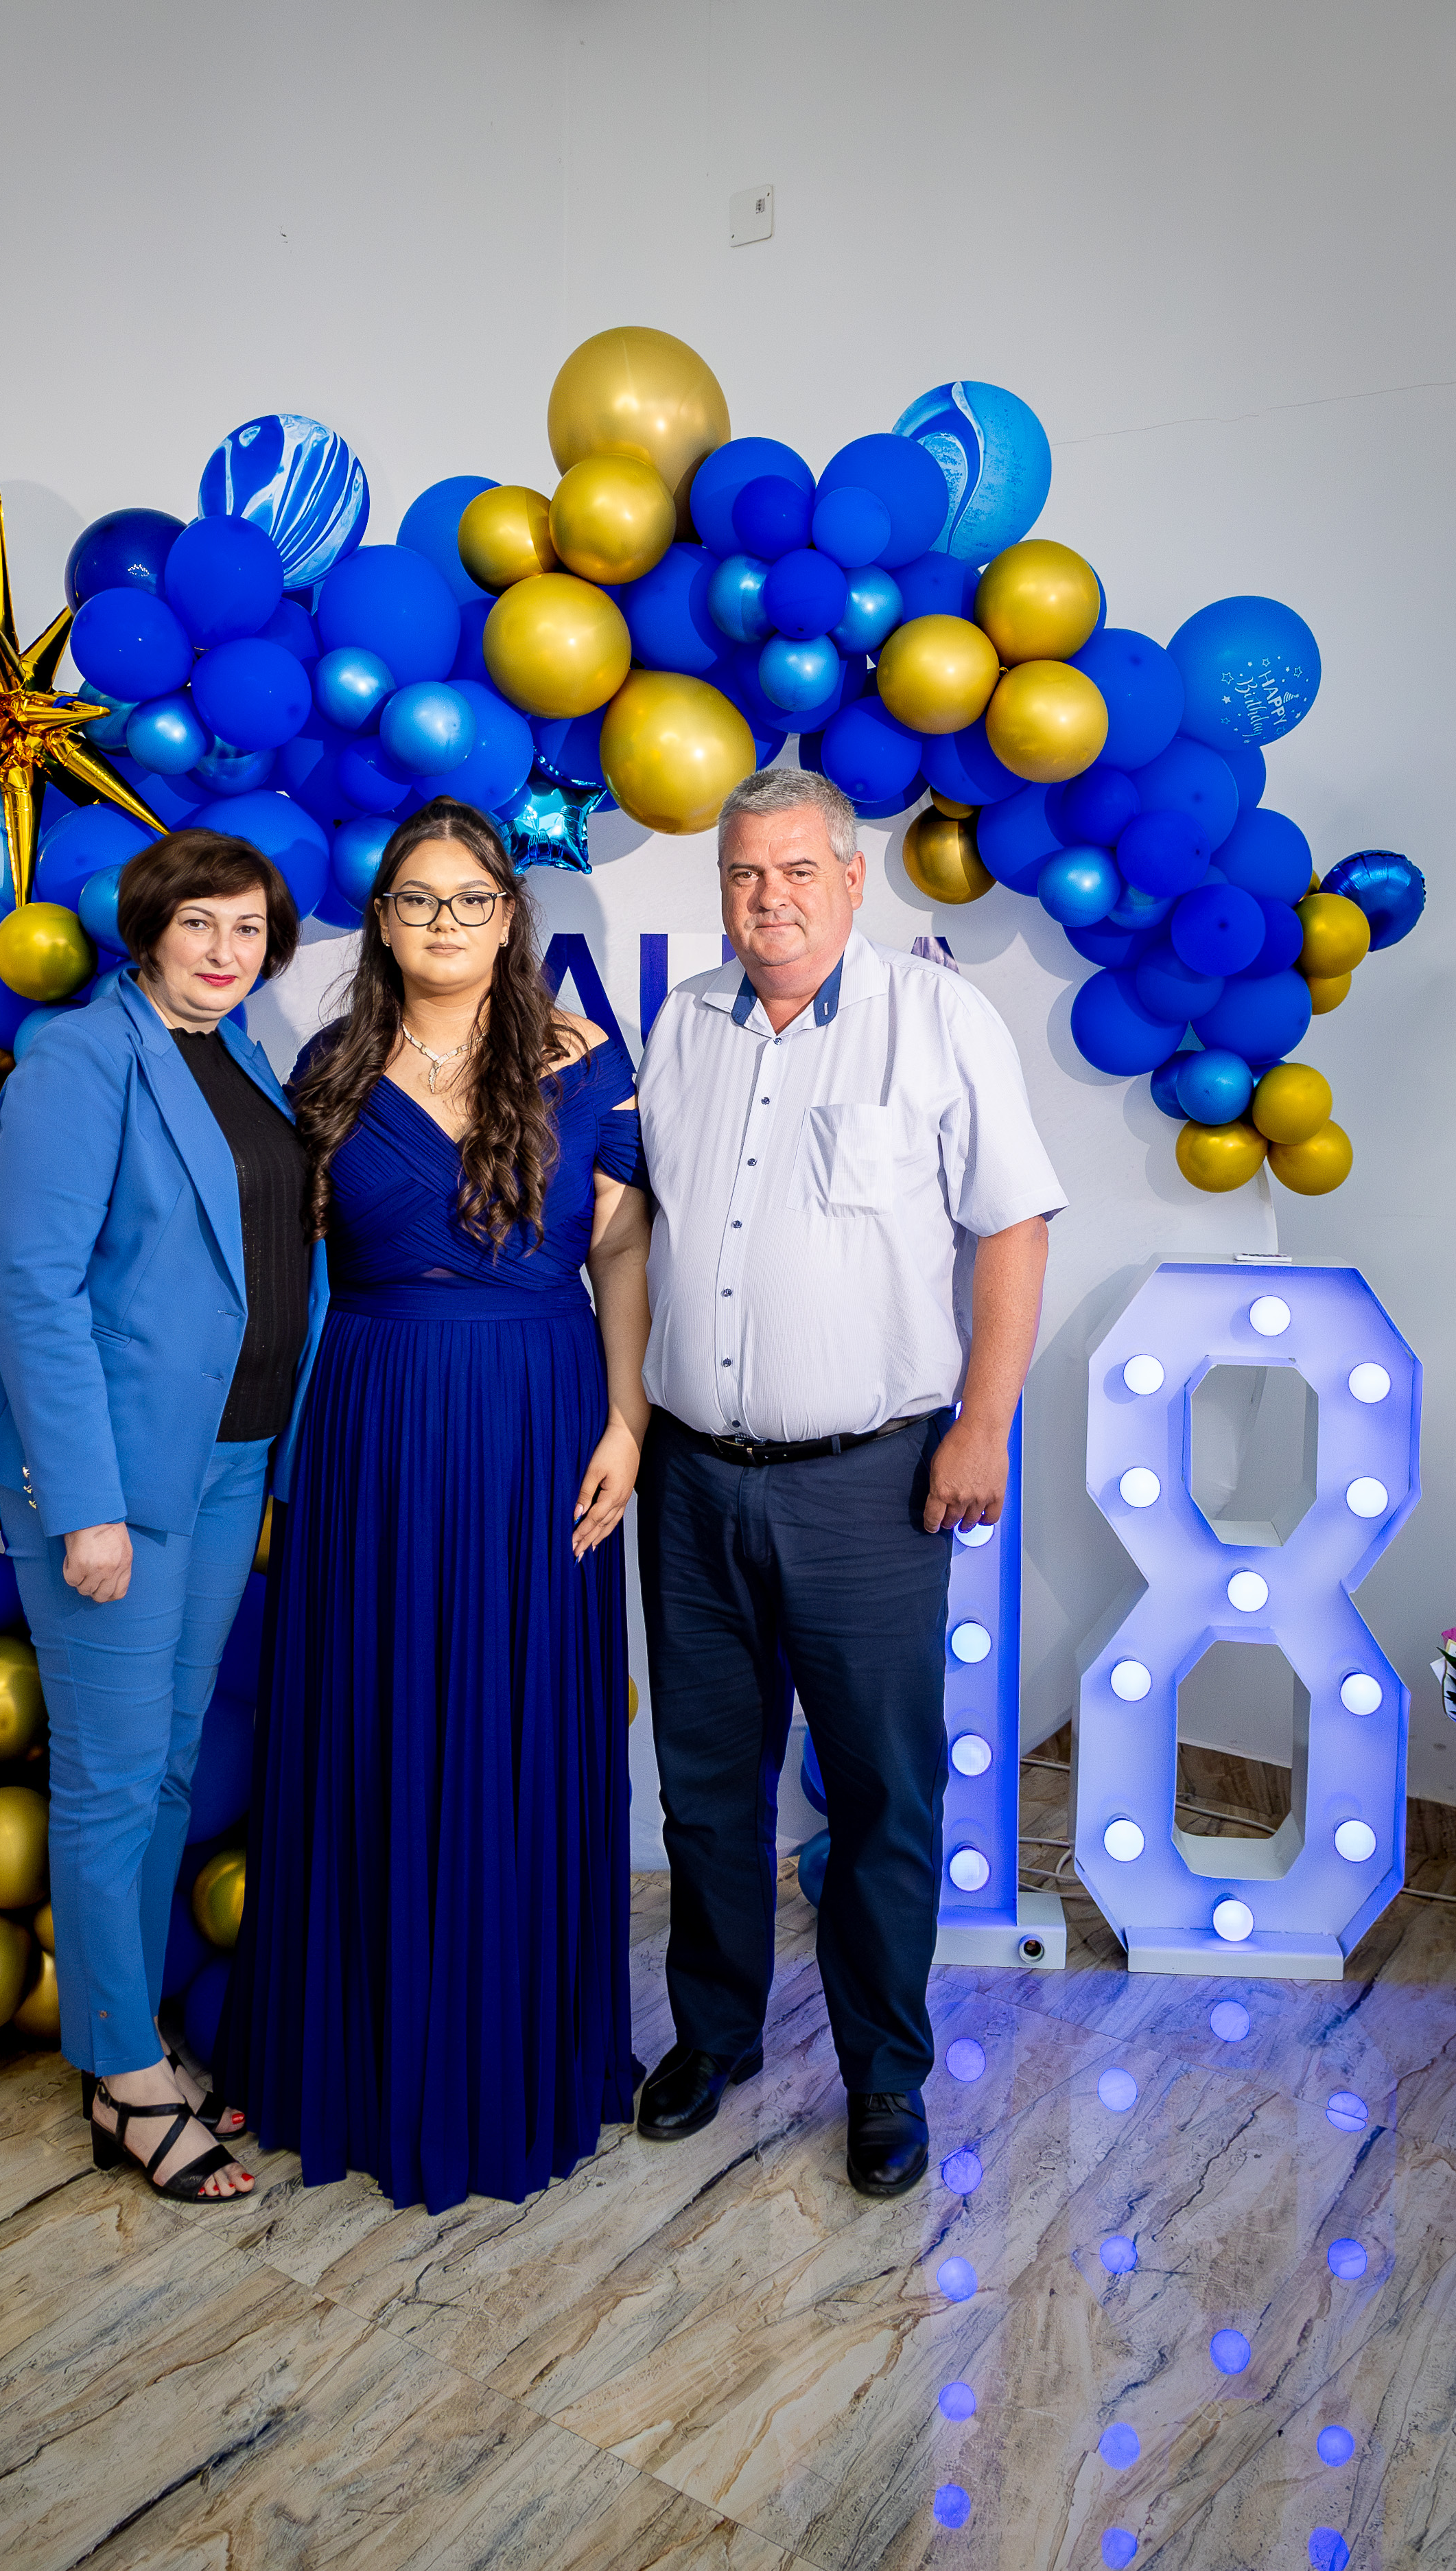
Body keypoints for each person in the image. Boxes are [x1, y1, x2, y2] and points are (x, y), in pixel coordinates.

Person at [631, 767, 1065, 2198]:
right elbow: (639, 1231)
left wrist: (984, 1422)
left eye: (797, 870)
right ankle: (713, 2035)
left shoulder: (935, 1019)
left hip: (869, 1485)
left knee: (881, 1790)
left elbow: (1012, 1224)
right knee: (705, 1785)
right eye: (744, 873)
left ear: (852, 878)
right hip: (691, 1477)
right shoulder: (681, 1025)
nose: (768, 898)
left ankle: (884, 2075)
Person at [222, 795, 648, 2214]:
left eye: (470, 898)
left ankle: (512, 2058)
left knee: (517, 1717)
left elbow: (620, 1250)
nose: (444, 922)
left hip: (539, 1412)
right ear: (382, 918)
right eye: (416, 898)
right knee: (374, 1714)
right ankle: (360, 2057)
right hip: (374, 1418)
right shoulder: (331, 1067)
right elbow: (281, 1257)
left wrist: (628, 1417)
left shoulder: (582, 1058)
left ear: (508, 917)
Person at [0, 829, 325, 2204]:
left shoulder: (243, 1057)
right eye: (200, 924)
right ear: (149, 928)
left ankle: (133, 2035)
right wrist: (85, 1507)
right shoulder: (78, 1056)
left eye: (248, 929)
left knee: (163, 1765)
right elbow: (37, 1292)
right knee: (111, 1776)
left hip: (226, 1460)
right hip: (116, 1479)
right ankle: (121, 2075)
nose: (225, 951)